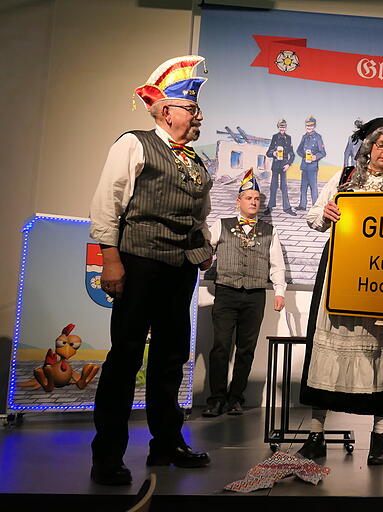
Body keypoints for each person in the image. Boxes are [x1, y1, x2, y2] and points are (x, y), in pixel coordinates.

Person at [89, 55, 213, 485]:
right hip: (139, 263)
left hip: (180, 270)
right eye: (192, 110)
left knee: (171, 360)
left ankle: (166, 444)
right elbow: (109, 202)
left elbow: (200, 214)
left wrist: (205, 247)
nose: (199, 117)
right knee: (124, 357)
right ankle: (107, 455)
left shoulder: (196, 160)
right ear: (166, 111)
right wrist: (110, 258)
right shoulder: (135, 143)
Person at [297, 118, 383, 466]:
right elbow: (313, 216)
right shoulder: (344, 179)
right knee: (327, 347)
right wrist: (326, 211)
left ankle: (379, 438)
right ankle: (316, 435)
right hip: (340, 271)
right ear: (368, 146)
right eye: (381, 144)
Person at [202, 171, 287, 417]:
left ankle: (235, 398)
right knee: (220, 347)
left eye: (257, 198)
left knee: (246, 349)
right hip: (226, 293)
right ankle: (216, 399)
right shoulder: (223, 224)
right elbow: (207, 249)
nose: (253, 202)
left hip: (255, 295)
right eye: (248, 197)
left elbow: (276, 264)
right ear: (238, 201)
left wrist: (279, 292)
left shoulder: (269, 230)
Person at [265, 118, 296, 216]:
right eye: (280, 127)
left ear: (286, 128)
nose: (282, 129)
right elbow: (268, 153)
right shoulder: (274, 137)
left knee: (284, 187)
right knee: (273, 187)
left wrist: (288, 164)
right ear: (278, 127)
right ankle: (270, 207)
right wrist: (273, 153)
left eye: (284, 127)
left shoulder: (289, 138)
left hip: (283, 166)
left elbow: (292, 154)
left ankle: (287, 208)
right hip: (275, 166)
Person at [295, 116, 326, 210]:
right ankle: (302, 205)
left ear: (314, 126)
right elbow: (298, 150)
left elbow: (323, 153)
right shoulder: (304, 137)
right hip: (304, 166)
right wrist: (304, 156)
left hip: (312, 167)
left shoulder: (318, 137)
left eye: (311, 126)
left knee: (313, 187)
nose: (309, 127)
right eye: (307, 126)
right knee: (303, 187)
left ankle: (315, 206)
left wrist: (315, 157)